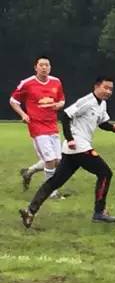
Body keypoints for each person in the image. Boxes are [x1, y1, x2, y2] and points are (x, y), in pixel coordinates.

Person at [19, 76, 115, 228]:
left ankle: (30, 211)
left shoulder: (102, 104)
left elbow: (102, 123)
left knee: (55, 181)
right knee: (105, 173)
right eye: (105, 88)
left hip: (73, 150)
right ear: (96, 87)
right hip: (79, 146)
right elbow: (66, 116)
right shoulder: (87, 101)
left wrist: (113, 128)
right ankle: (99, 212)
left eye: (111, 89)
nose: (108, 91)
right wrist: (70, 139)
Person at [9, 55, 65, 195]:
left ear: (50, 67)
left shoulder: (56, 82)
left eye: (47, 65)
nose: (44, 68)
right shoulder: (27, 83)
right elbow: (13, 101)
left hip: (52, 125)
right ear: (36, 67)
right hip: (37, 126)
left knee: (58, 160)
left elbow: (62, 100)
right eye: (41, 65)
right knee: (50, 159)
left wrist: (59, 105)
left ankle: (29, 171)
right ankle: (51, 192)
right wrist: (23, 114)